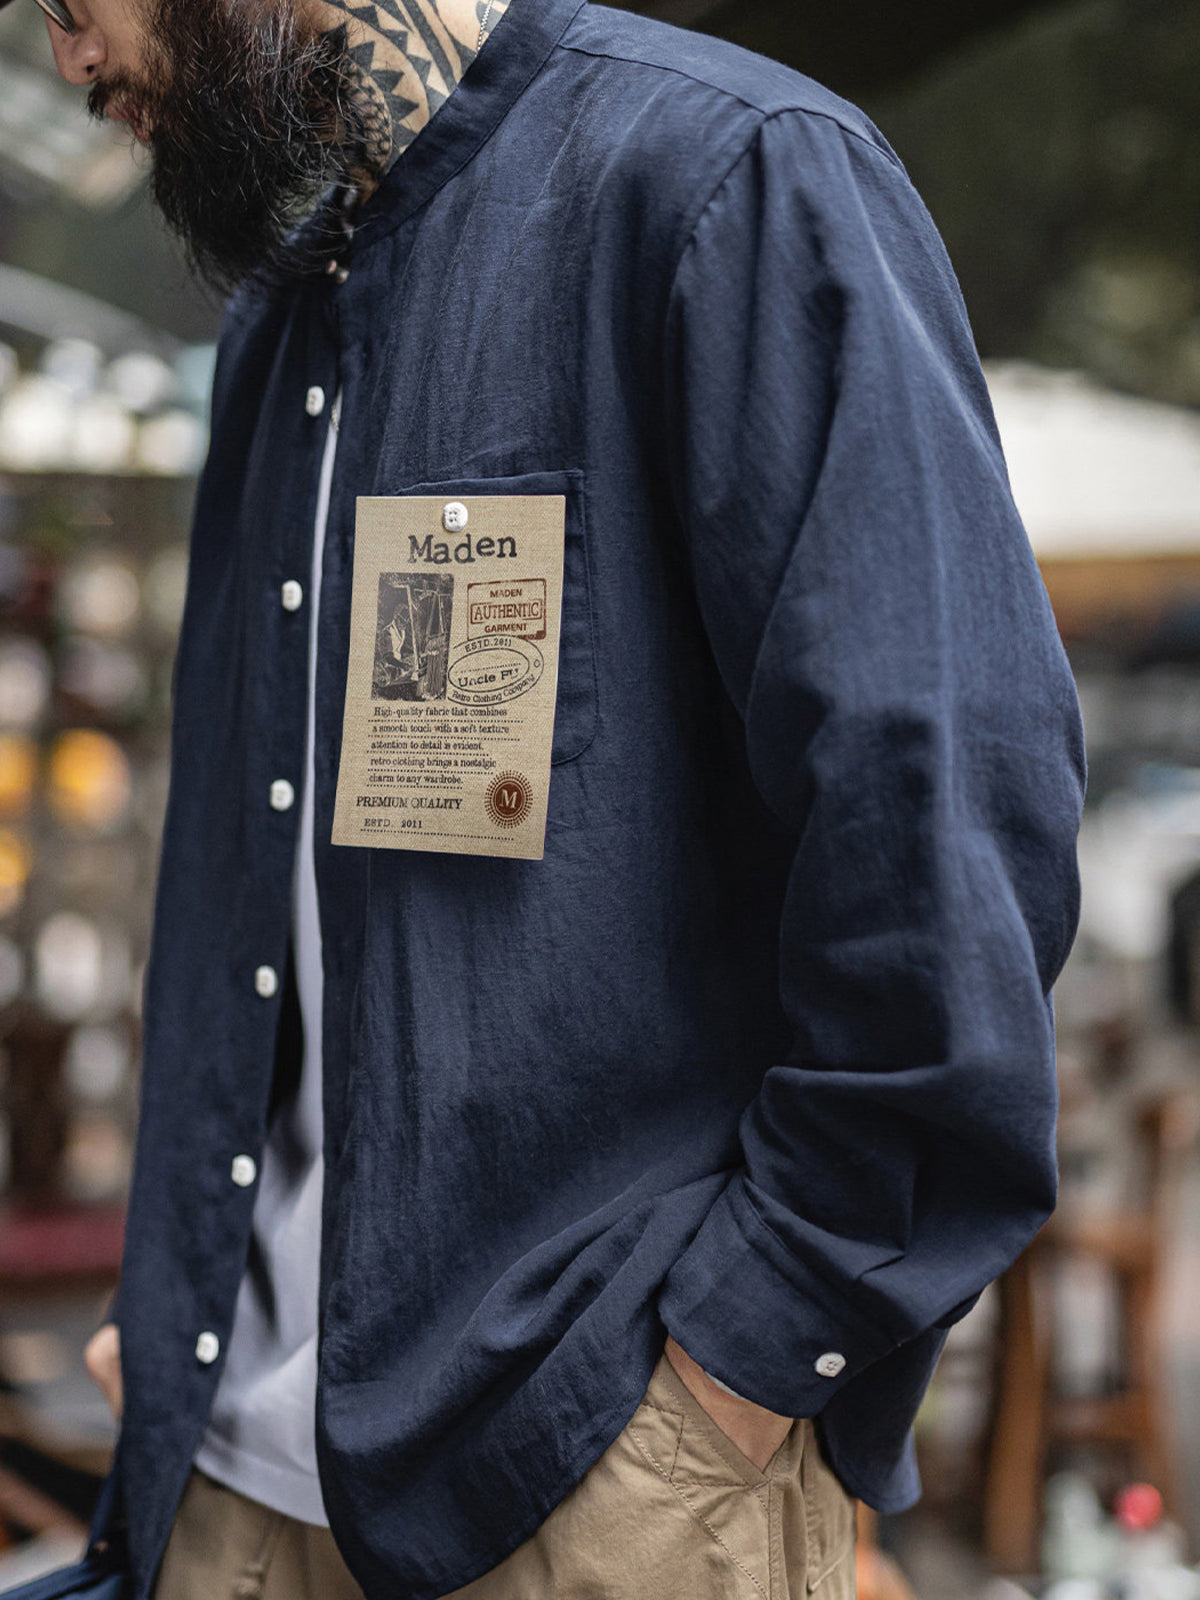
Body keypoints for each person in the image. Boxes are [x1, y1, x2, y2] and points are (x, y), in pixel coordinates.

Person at [24, 0, 1085, 1592]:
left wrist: (744, 1355)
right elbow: (263, 898)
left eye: (67, 3)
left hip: (592, 1479)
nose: (68, 61)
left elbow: (941, 828)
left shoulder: (729, 177)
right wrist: (178, 1296)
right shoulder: (281, 319)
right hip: (227, 1489)